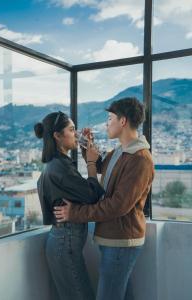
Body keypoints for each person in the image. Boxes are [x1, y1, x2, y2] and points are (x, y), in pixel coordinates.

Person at [54, 97, 155, 300]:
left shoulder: (140, 159)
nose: (107, 123)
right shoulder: (120, 151)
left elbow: (116, 206)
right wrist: (86, 145)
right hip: (114, 237)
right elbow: (100, 166)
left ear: (123, 121)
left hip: (121, 241)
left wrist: (75, 213)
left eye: (110, 118)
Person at [34, 111, 104, 300]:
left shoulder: (55, 164)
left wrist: (86, 149)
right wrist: (90, 162)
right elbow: (93, 195)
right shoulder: (60, 167)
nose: (76, 133)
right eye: (72, 130)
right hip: (64, 242)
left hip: (62, 240)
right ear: (57, 136)